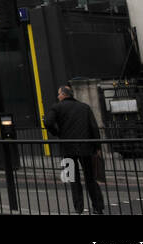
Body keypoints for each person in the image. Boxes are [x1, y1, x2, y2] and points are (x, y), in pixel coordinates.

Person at [44, 85, 105, 215]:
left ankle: (79, 208)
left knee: (73, 178)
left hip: (67, 148)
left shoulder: (57, 107)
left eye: (59, 94)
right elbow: (94, 128)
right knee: (90, 177)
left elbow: (48, 122)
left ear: (64, 95)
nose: (58, 96)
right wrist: (97, 147)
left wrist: (57, 133)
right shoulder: (85, 107)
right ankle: (98, 207)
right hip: (86, 148)